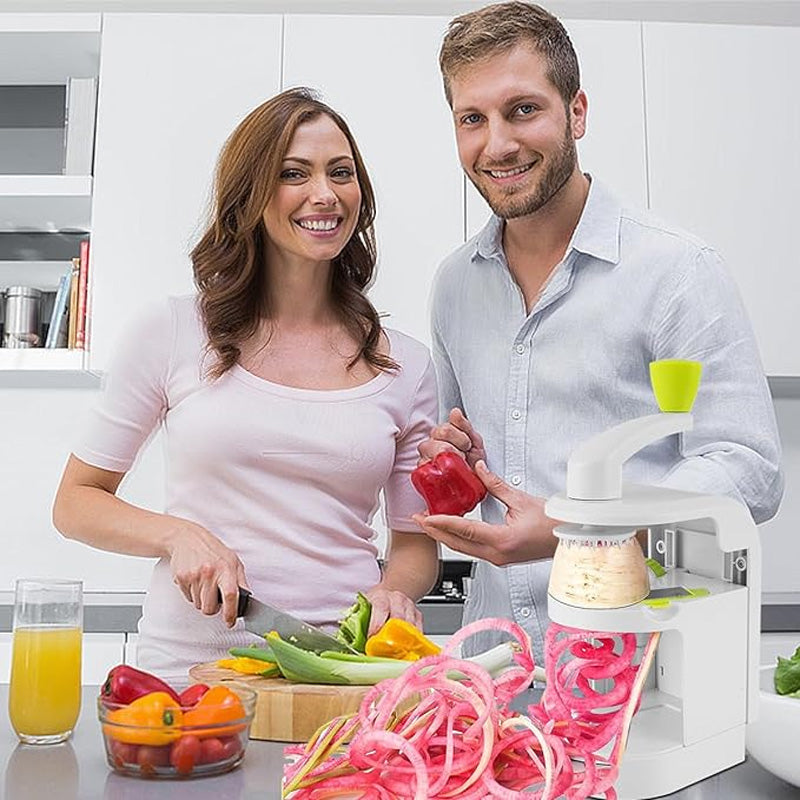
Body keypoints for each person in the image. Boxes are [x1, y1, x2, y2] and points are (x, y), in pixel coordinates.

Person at [413, 1, 783, 661]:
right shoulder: (455, 286)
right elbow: (473, 459)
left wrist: (573, 527)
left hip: (639, 673)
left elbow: (749, 468)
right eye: (473, 119)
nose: (497, 144)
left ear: (577, 112)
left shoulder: (676, 271)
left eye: (522, 109)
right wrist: (458, 461)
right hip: (495, 665)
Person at [52, 88, 440, 682]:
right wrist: (177, 535)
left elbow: (415, 546)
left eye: (341, 173)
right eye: (293, 173)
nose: (325, 194)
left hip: (341, 671)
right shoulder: (172, 331)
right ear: (250, 195)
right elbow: (75, 501)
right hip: (190, 670)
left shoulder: (406, 365)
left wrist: (394, 592)